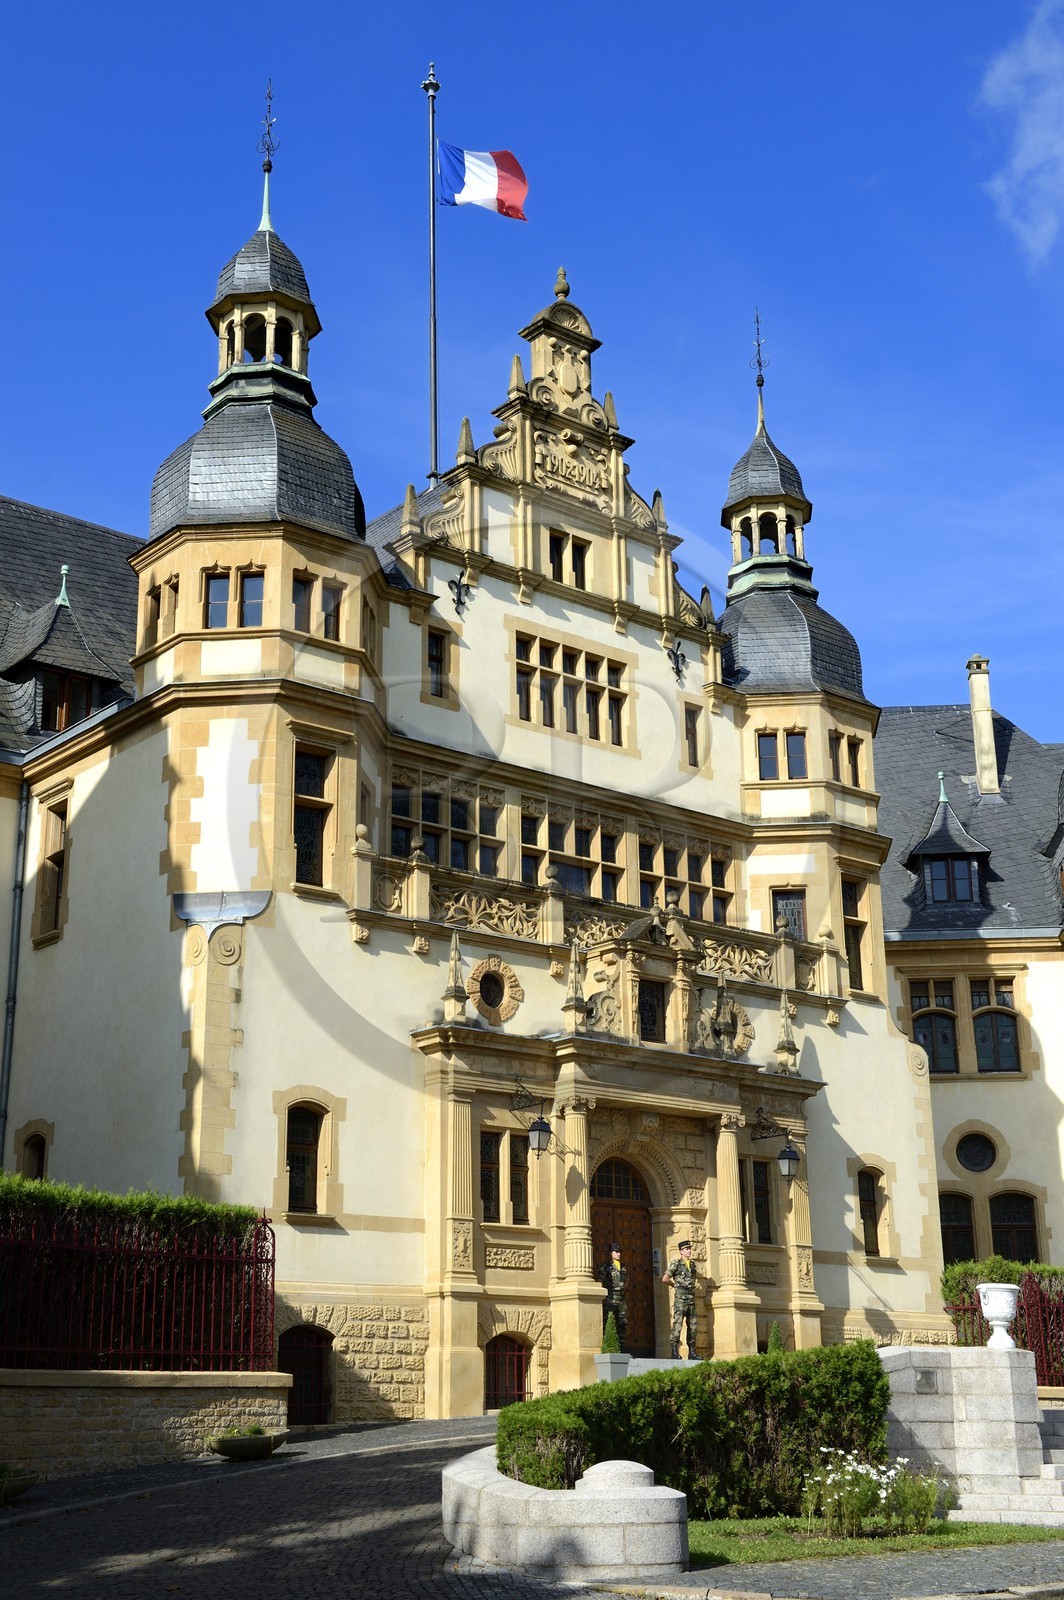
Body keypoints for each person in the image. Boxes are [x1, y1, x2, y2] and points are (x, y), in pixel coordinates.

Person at [662, 1238, 697, 1359]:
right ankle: (674, 1351)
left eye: (689, 1249)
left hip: (691, 1299)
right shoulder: (676, 1263)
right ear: (681, 1251)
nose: (689, 1251)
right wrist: (675, 1285)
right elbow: (665, 1278)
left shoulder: (692, 1265)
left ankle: (692, 1352)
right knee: (678, 1324)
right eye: (686, 1249)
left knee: (693, 1326)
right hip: (680, 1300)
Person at [598, 1243, 628, 1347]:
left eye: (619, 1252)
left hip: (621, 1300)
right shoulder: (606, 1268)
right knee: (609, 1321)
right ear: (611, 1253)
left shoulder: (623, 1268)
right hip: (610, 1300)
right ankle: (609, 1346)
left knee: (622, 1324)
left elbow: (626, 1281)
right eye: (616, 1251)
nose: (619, 1254)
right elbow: (600, 1280)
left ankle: (622, 1346)